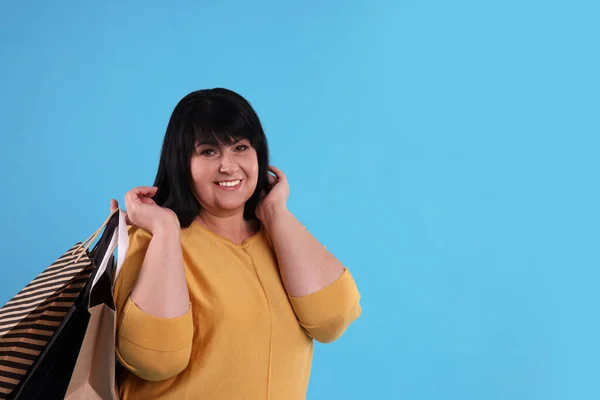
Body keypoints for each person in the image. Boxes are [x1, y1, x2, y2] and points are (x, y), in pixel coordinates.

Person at [110, 88, 362, 399]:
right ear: (181, 162)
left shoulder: (278, 236)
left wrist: (275, 212)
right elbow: (154, 358)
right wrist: (165, 228)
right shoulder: (153, 241)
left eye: (240, 147)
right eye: (208, 152)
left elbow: (332, 320)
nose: (229, 166)